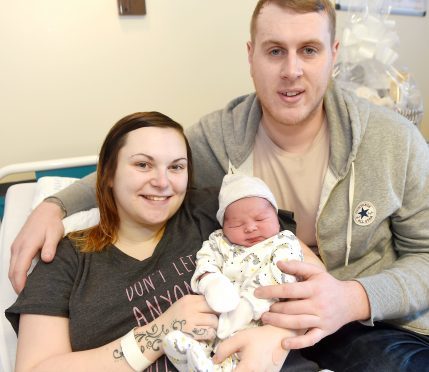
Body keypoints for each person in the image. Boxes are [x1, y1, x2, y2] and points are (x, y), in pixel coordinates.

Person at [8, 0, 429, 370]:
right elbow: (130, 166)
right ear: (251, 56)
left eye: (309, 50)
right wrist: (54, 206)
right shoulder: (215, 143)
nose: (292, 70)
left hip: (367, 319)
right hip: (264, 320)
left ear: (333, 54)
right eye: (275, 51)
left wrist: (352, 299)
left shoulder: (395, 142)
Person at [5, 112, 299, 372]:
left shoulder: (212, 211)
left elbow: (303, 268)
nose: (162, 181)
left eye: (176, 167)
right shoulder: (67, 258)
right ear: (107, 174)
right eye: (143, 165)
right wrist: (161, 331)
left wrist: (275, 338)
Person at [162, 174, 309, 371]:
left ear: (275, 216)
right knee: (204, 327)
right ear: (223, 226)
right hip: (222, 308)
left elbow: (284, 273)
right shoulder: (219, 241)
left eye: (260, 218)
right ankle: (196, 357)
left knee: (245, 348)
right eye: (237, 224)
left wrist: (249, 305)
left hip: (264, 313)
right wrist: (211, 282)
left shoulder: (283, 241)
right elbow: (205, 259)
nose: (250, 228)